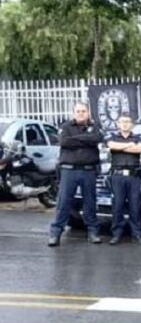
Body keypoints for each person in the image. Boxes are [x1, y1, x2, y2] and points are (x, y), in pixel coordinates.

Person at [48, 102, 105, 247]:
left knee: (90, 203)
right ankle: (55, 234)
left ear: (88, 113)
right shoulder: (65, 126)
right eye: (78, 111)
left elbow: (96, 138)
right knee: (64, 203)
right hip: (69, 170)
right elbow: (64, 141)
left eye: (83, 111)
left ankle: (93, 232)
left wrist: (76, 138)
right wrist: (86, 138)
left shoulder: (95, 126)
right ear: (73, 113)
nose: (81, 113)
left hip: (88, 170)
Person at [106, 115, 141, 245]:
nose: (125, 124)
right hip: (117, 176)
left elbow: (140, 149)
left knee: (135, 206)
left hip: (133, 176)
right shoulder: (112, 137)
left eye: (127, 121)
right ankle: (116, 234)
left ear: (132, 124)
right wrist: (129, 145)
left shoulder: (139, 138)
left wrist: (122, 147)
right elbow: (112, 146)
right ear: (118, 124)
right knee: (117, 206)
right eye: (122, 122)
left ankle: (137, 235)